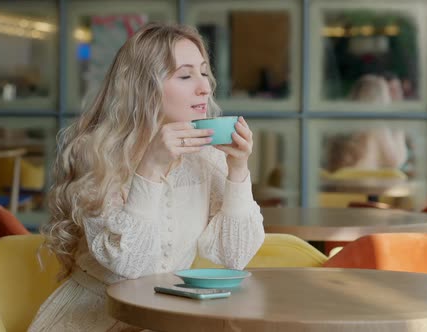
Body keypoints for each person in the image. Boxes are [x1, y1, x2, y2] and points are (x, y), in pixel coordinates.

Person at [29, 23, 265, 332]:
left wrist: (238, 169)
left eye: (204, 72)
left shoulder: (206, 157)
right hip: (94, 319)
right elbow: (130, 266)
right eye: (185, 75)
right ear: (144, 86)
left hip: (167, 316)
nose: (204, 88)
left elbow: (234, 255)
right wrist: (150, 168)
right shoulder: (99, 154)